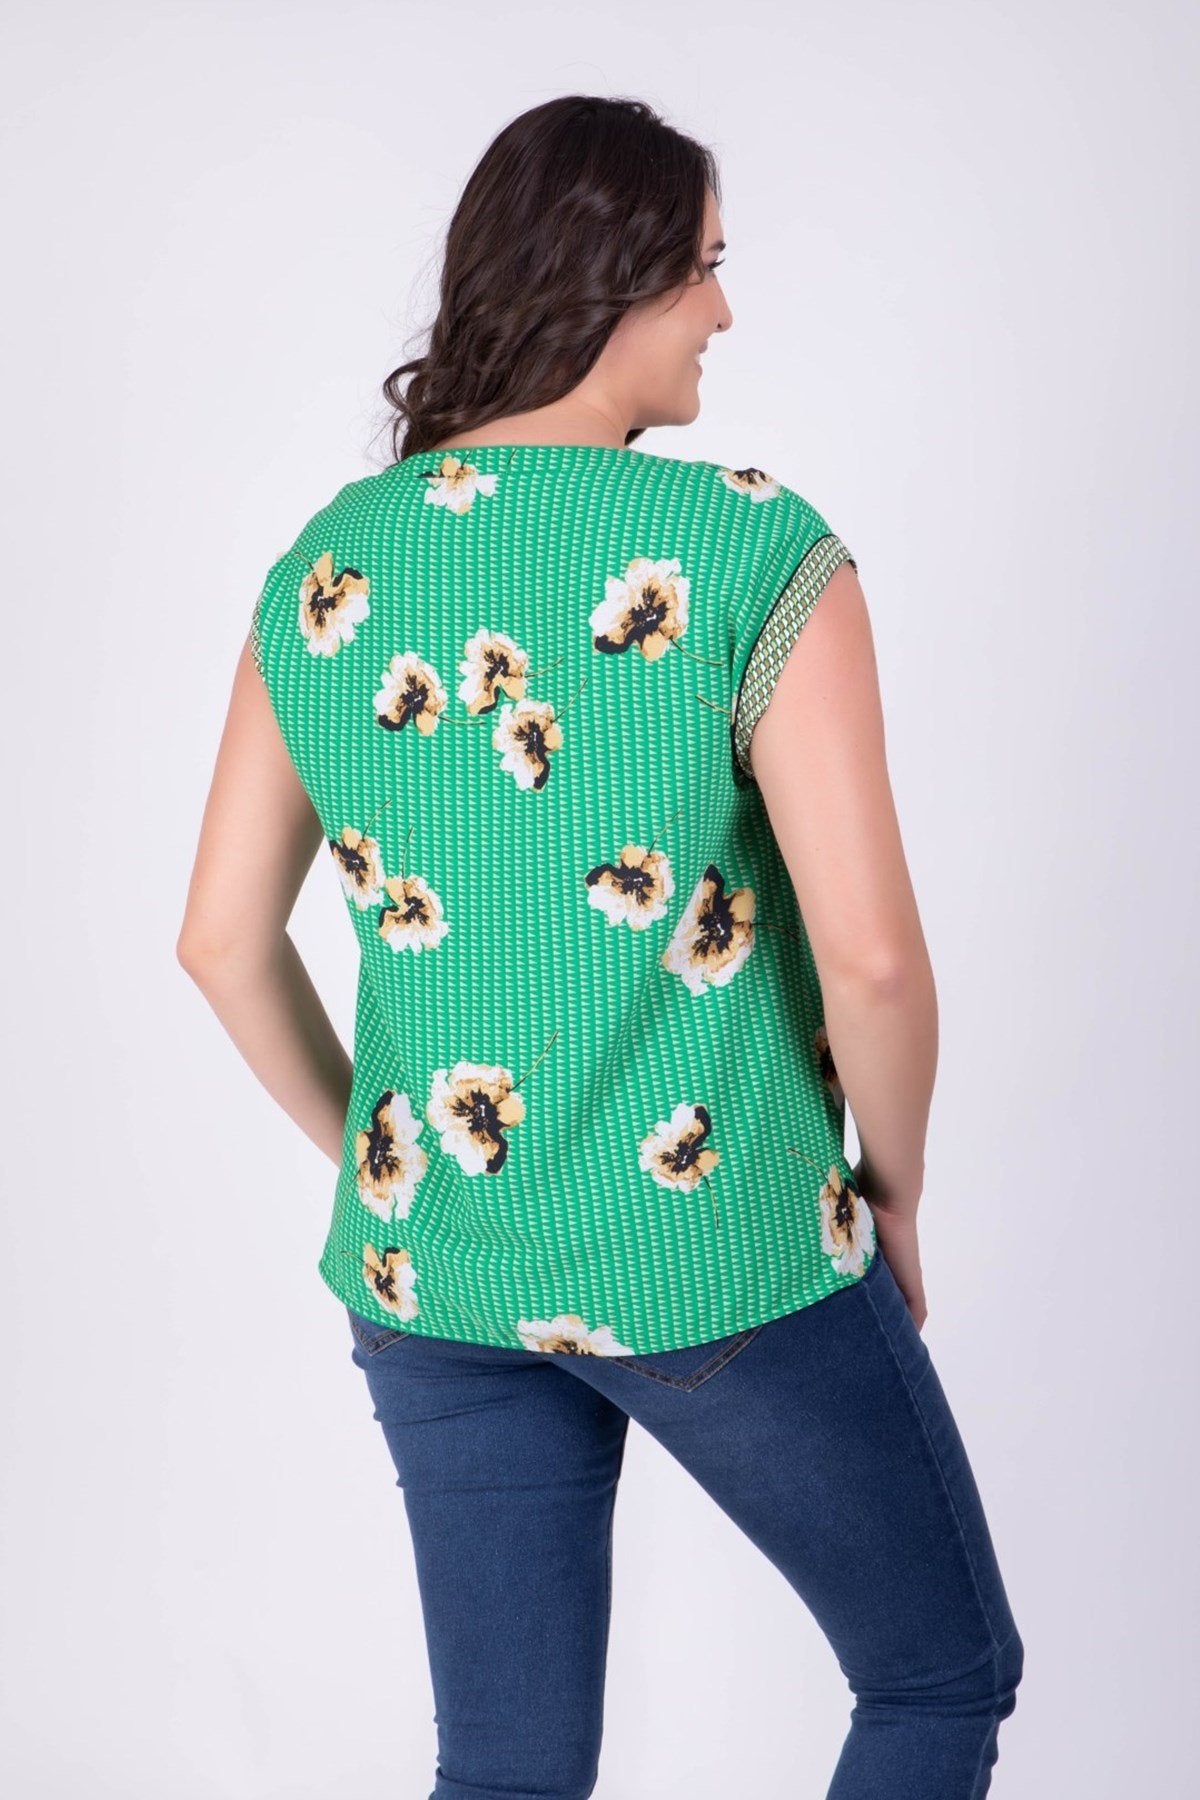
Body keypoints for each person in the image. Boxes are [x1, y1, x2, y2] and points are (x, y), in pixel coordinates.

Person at [178, 93, 1024, 1800]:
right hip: (713, 1249)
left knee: (506, 1770)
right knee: (939, 1680)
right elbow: (870, 957)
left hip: (434, 1273)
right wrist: (894, 1187)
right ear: (611, 274)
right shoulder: (750, 547)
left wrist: (388, 1161)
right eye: (704, 267)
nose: (726, 309)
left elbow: (217, 940)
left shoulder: (328, 565)